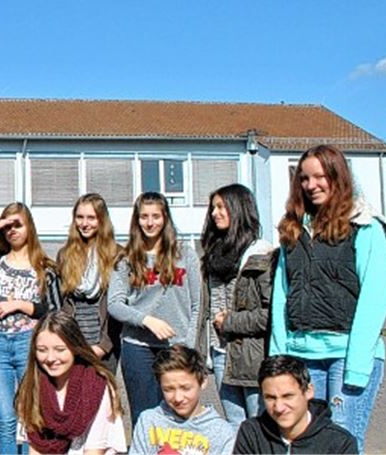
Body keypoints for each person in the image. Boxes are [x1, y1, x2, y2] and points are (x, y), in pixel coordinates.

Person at [269, 145, 386, 450]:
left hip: (346, 355)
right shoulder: (292, 230)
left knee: (341, 441)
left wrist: (357, 365)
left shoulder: (365, 227)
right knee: (302, 443)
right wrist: (278, 360)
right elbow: (281, 296)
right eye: (304, 178)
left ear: (337, 177)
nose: (311, 185)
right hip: (301, 355)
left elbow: (374, 300)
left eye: (319, 176)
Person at [0, 202, 62, 455]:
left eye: (17, 225)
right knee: (5, 419)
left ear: (30, 226)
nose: (12, 230)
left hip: (28, 344)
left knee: (31, 414)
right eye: (7, 226)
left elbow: (55, 310)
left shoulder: (45, 267)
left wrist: (21, 305)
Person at [107, 192, 201, 426]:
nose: (150, 223)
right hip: (138, 347)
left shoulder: (185, 254)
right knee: (144, 417)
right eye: (144, 217)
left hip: (176, 346)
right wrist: (146, 320)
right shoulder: (126, 259)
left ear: (165, 218)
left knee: (178, 415)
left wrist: (188, 346)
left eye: (156, 216)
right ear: (136, 220)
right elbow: (114, 304)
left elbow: (197, 305)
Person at [196, 183, 275, 428]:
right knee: (234, 426)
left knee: (259, 425)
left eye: (221, 207)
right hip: (220, 352)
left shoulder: (261, 254)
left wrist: (230, 322)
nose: (214, 213)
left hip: (252, 355)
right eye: (213, 208)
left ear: (239, 208)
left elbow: (270, 314)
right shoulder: (212, 254)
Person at [15, 313, 126, 455]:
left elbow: (95, 450)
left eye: (60, 349)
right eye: (42, 350)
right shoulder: (31, 386)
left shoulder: (97, 386)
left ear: (75, 348)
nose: (50, 358)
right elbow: (35, 447)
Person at [233, 355, 358, 454]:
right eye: (271, 398)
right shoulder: (252, 433)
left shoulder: (340, 443)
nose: (279, 407)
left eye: (288, 396)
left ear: (308, 391)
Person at [55, 193, 123, 372]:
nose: (84, 223)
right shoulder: (65, 255)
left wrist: (103, 346)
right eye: (80, 217)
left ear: (102, 220)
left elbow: (118, 306)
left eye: (91, 218)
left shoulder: (118, 255)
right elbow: (62, 305)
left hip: (104, 346)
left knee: (101, 389)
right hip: (72, 344)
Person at [129, 345, 234, 455]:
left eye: (185, 388)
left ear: (203, 381)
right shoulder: (149, 421)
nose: (178, 398)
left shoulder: (221, 433)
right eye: (168, 389)